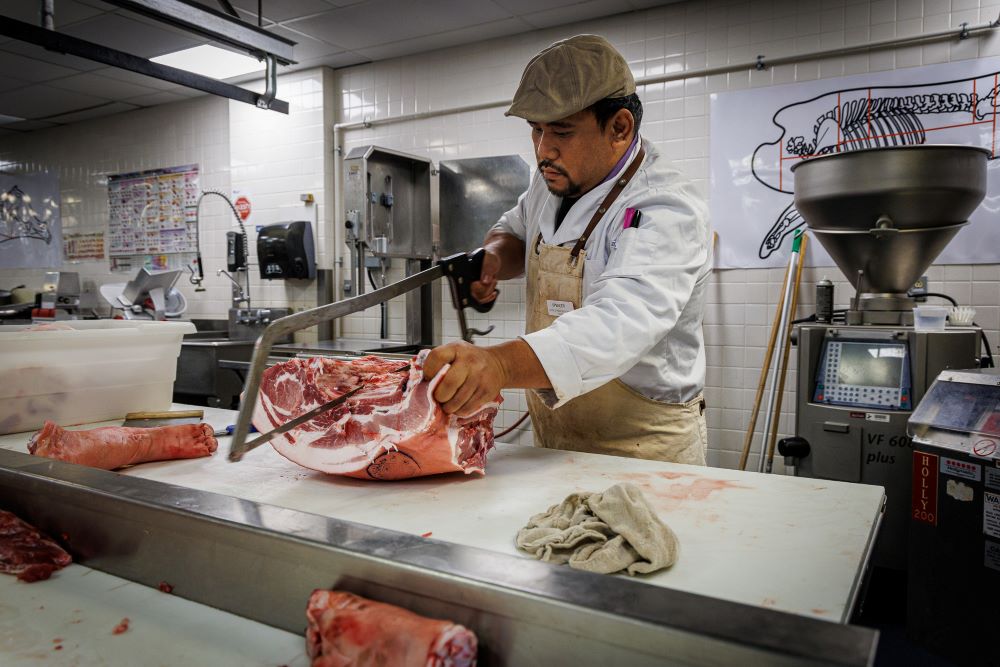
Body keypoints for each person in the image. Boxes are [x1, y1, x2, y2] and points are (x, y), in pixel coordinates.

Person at [423, 34, 713, 464]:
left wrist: (499, 365)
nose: (543, 151)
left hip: (645, 446)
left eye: (560, 131)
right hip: (557, 438)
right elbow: (515, 230)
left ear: (619, 128)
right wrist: (494, 259)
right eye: (535, 131)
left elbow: (619, 322)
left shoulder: (664, 207)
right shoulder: (549, 180)